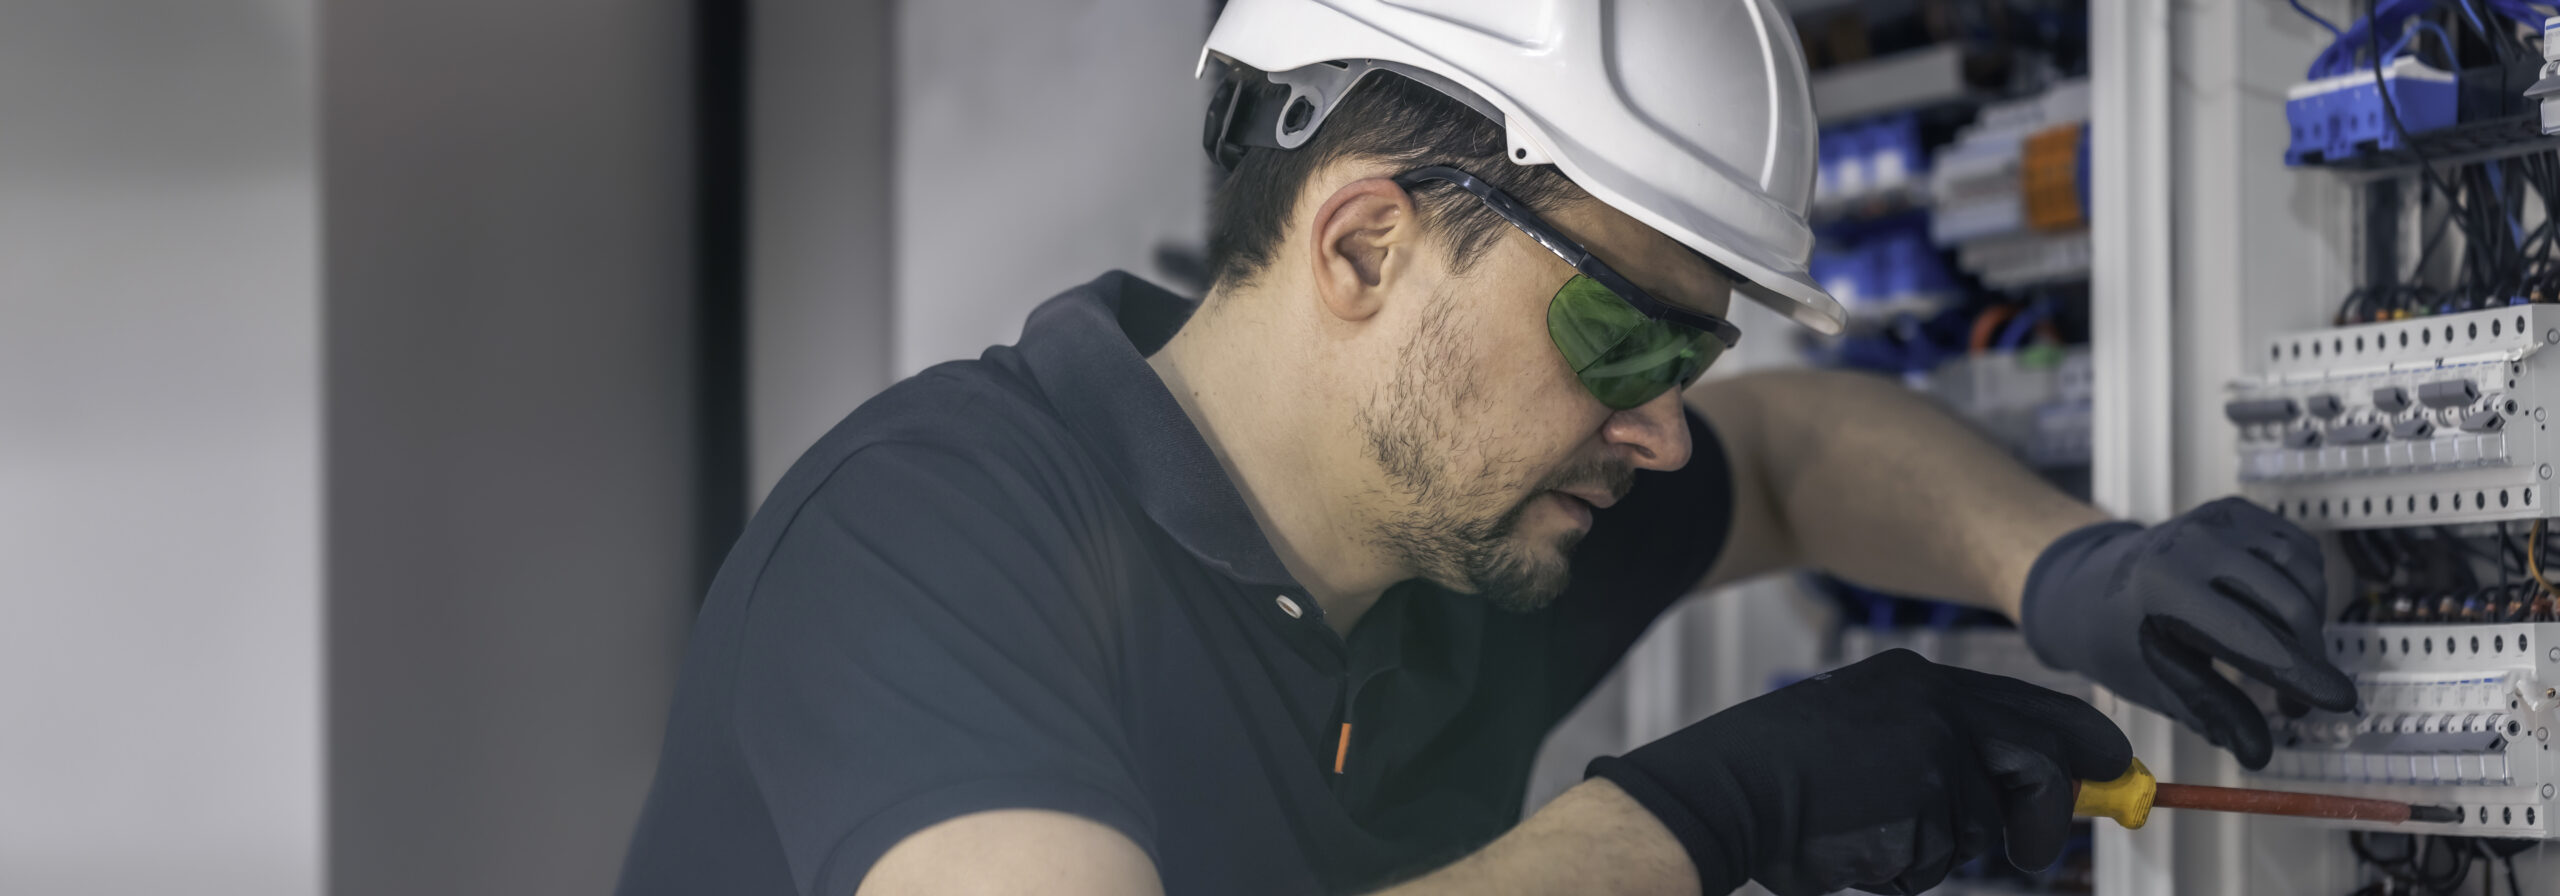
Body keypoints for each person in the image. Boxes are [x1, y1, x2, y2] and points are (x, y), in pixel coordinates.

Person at [616, 1, 2356, 893]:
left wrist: (2063, 565)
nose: (1659, 430)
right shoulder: (932, 538)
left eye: (1689, 355)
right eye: (1620, 336)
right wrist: (1703, 812)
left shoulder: (1462, 530)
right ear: (1366, 244)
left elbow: (1796, 455)